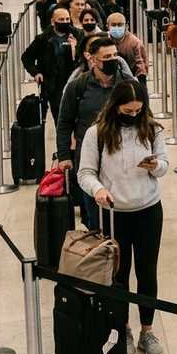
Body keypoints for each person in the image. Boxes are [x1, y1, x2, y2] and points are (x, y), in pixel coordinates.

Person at [77, 79, 169, 354]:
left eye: (137, 111)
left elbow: (164, 164)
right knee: (118, 274)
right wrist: (99, 189)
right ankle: (124, 328)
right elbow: (85, 174)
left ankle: (147, 330)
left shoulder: (151, 128)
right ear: (115, 106)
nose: (133, 116)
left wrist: (156, 166)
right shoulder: (97, 133)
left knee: (147, 270)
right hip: (113, 213)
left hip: (148, 209)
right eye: (127, 111)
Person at [57, 35, 134, 228]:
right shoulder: (77, 87)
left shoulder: (128, 85)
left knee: (122, 219)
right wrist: (64, 155)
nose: (112, 60)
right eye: (106, 57)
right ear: (92, 59)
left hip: (123, 160)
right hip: (90, 160)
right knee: (94, 218)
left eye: (115, 55)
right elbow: (64, 123)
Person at [21, 7, 83, 121]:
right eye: (61, 19)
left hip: (74, 81)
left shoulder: (77, 35)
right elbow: (27, 57)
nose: (65, 22)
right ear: (53, 22)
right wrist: (36, 72)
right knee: (59, 117)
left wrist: (75, 49)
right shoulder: (43, 38)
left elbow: (84, 58)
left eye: (67, 19)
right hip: (52, 85)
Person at [106, 13, 149, 87]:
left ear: (126, 26)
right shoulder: (103, 40)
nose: (117, 27)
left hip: (129, 77)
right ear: (107, 26)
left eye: (120, 25)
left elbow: (141, 67)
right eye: (113, 25)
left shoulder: (135, 43)